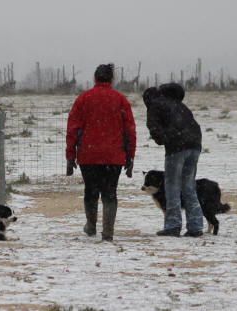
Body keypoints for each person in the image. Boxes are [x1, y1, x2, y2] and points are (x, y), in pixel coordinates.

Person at [65, 64, 136, 241]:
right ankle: (108, 231)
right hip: (114, 156)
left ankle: (91, 225)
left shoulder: (83, 99)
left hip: (88, 156)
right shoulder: (120, 100)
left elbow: (72, 129)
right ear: (112, 79)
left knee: (91, 191)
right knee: (110, 193)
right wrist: (130, 156)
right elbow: (130, 131)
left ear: (95, 78)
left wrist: (70, 156)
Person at [143, 83, 204, 237]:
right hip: (195, 145)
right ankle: (196, 227)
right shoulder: (181, 106)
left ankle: (173, 226)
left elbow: (154, 128)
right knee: (189, 187)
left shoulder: (155, 105)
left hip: (177, 148)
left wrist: (163, 140)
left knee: (172, 186)